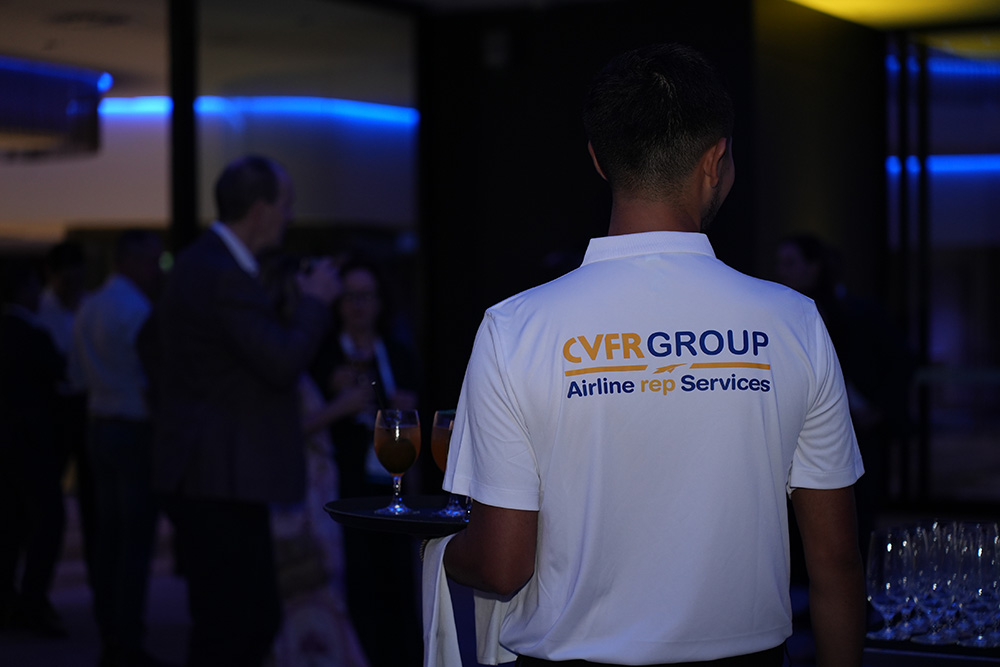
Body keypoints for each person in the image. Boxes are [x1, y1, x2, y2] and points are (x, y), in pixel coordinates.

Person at [441, 43, 866, 666]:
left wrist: (435, 548)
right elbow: (836, 562)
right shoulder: (792, 322)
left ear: (598, 159)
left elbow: (501, 566)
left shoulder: (515, 328)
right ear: (716, 160)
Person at [152, 155, 340, 667]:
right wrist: (315, 301)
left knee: (243, 620)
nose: (290, 217)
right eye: (286, 205)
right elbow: (280, 362)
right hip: (218, 476)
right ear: (260, 210)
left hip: (216, 472)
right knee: (235, 625)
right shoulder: (221, 272)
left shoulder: (204, 264)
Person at [309, 258, 422, 666]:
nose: (358, 306)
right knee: (357, 579)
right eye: (350, 297)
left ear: (380, 302)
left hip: (391, 480)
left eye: (367, 296)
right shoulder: (322, 356)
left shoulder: (397, 352)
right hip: (341, 482)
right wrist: (340, 403)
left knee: (398, 579)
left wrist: (408, 408)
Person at [70, 229, 166, 667]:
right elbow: (150, 380)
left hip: (98, 425)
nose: (155, 270)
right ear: (128, 260)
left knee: (108, 536)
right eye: (152, 260)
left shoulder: (90, 305)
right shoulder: (136, 310)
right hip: (133, 430)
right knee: (133, 541)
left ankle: (112, 631)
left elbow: (75, 374)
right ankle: (126, 641)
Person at [0, 258, 68, 639]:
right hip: (32, 445)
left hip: (7, 446)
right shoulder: (33, 336)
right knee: (46, 523)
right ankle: (32, 601)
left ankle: (9, 601)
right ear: (25, 289)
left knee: (9, 524)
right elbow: (61, 375)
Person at [38, 241, 97, 597]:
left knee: (95, 502)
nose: (73, 286)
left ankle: (99, 582)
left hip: (87, 406)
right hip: (53, 411)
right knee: (46, 506)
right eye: (66, 279)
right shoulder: (40, 311)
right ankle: (37, 590)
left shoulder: (90, 306)